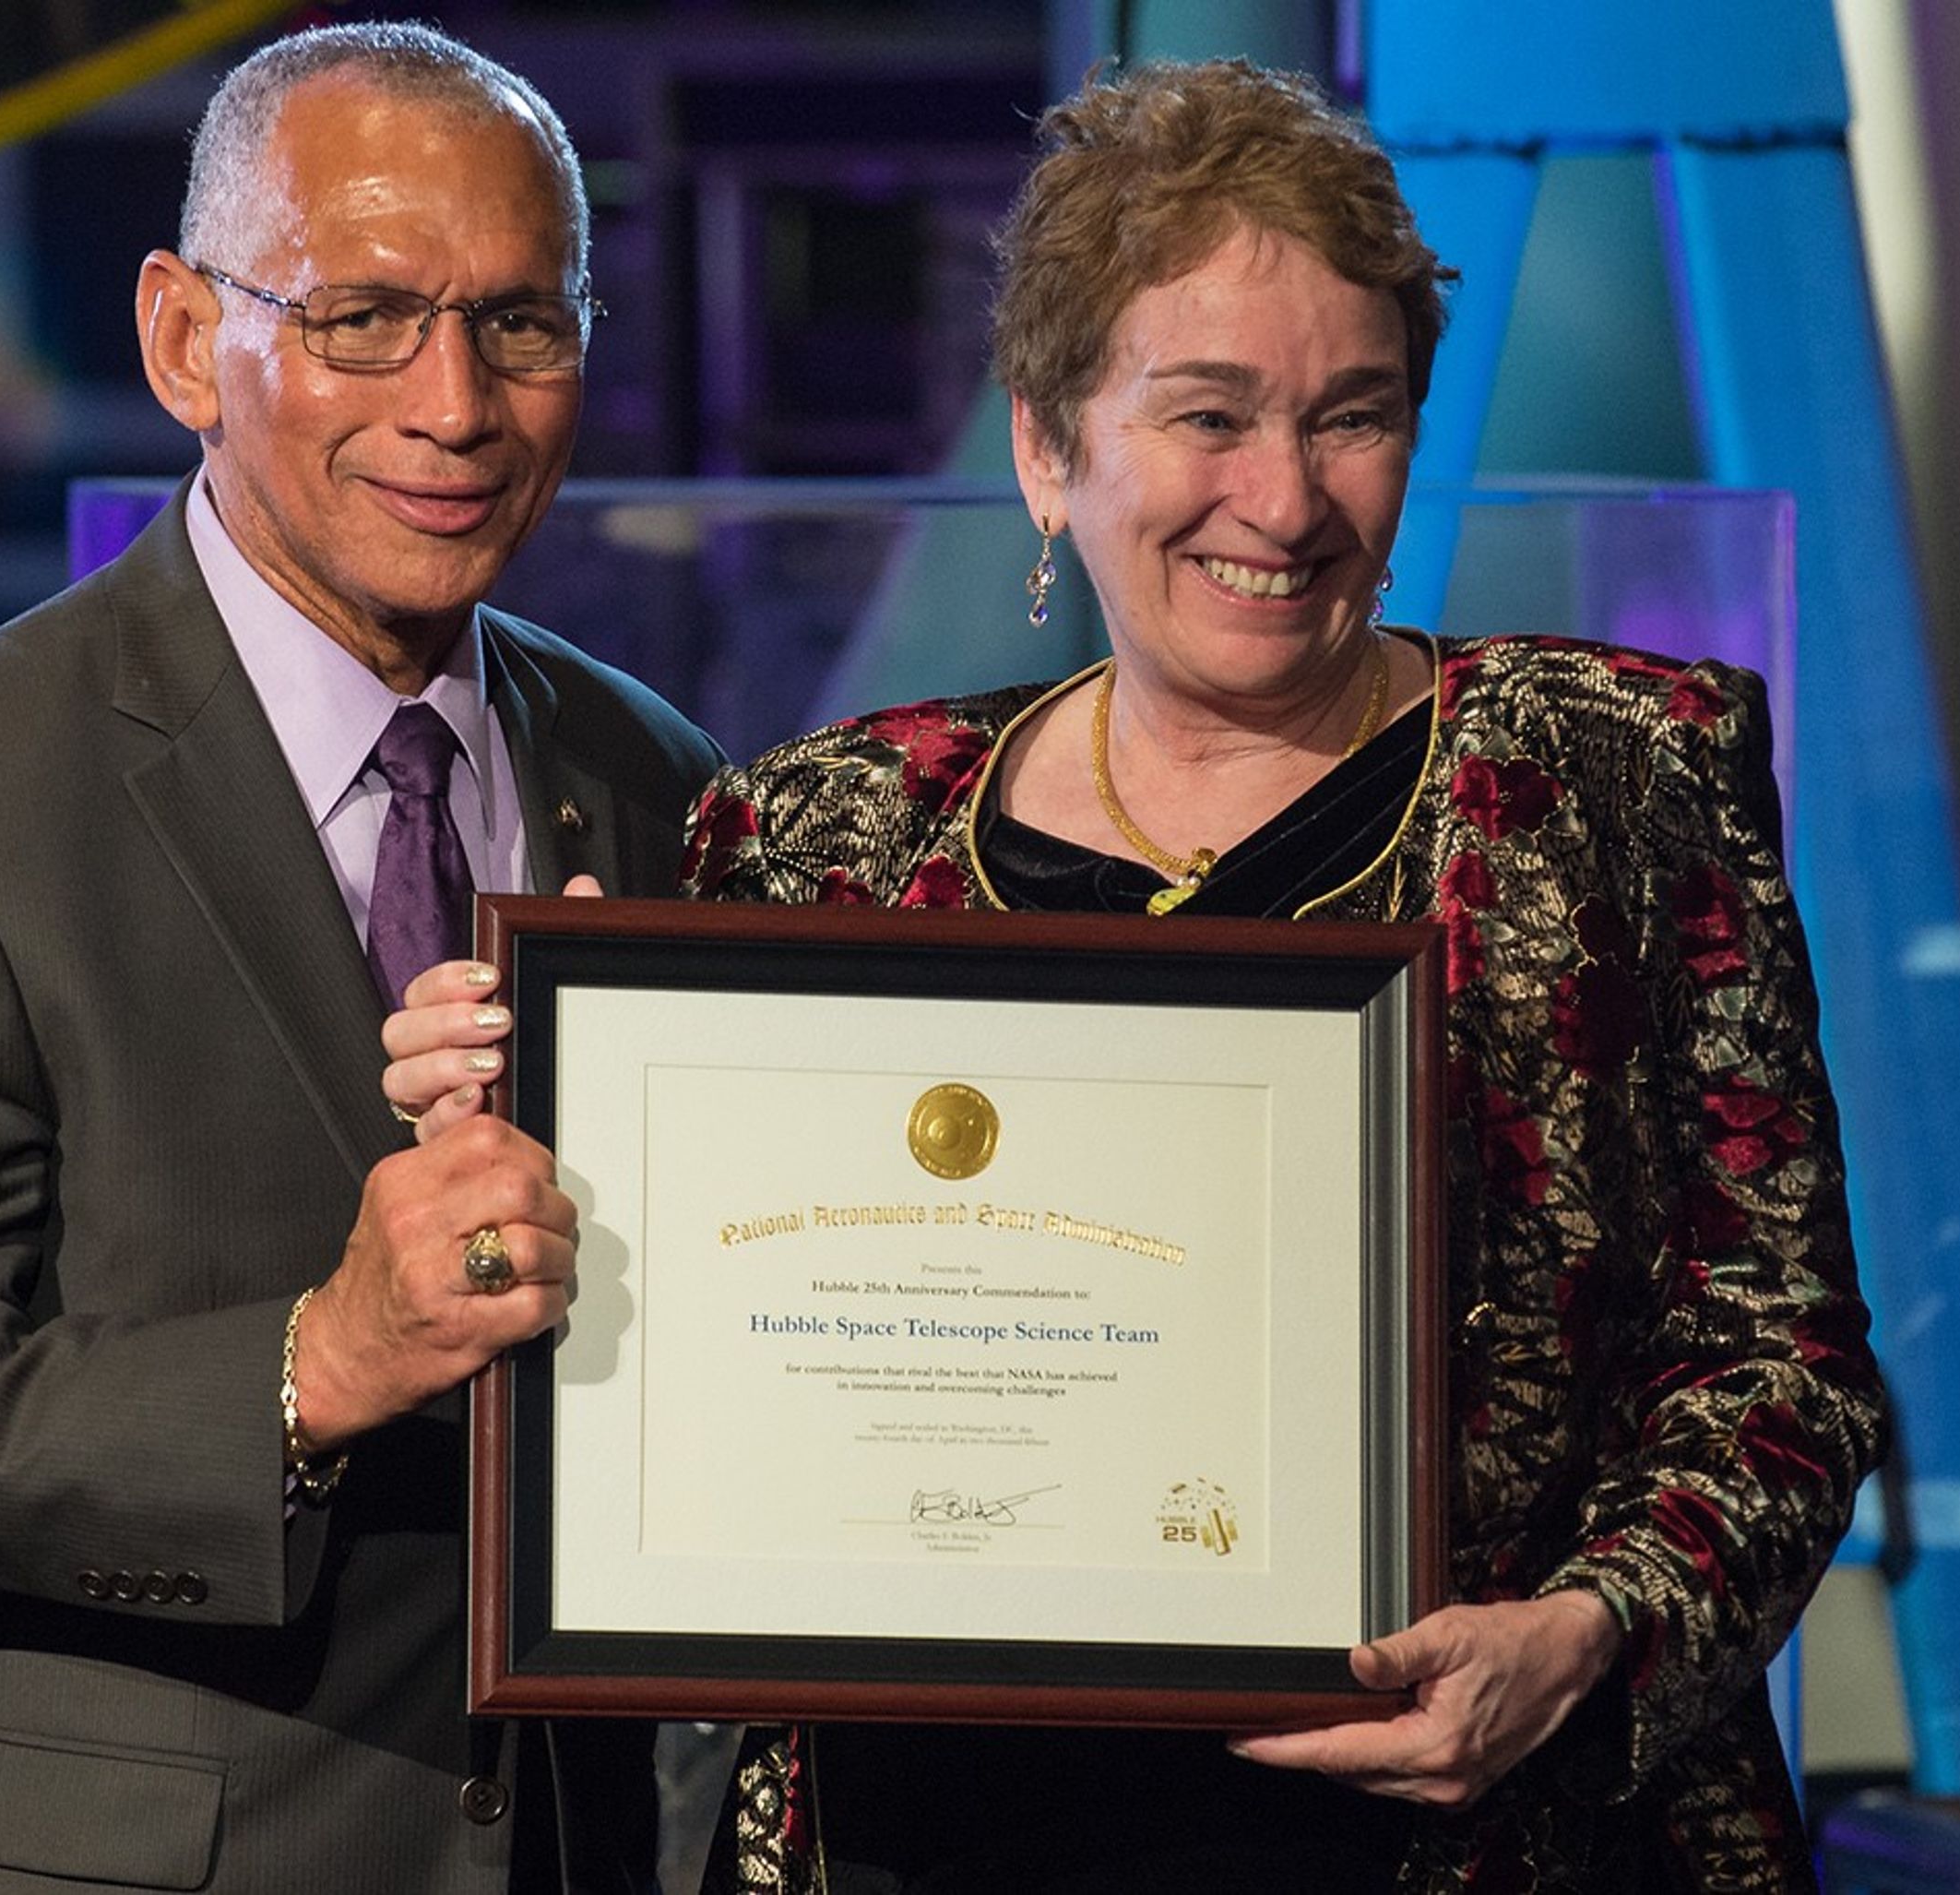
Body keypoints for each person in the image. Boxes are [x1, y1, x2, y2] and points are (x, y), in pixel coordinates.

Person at [669, 59, 1887, 1893]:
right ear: (1043, 444)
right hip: (936, 1842)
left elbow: (1780, 1358)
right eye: (1206, 415)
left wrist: (1581, 1633)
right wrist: (542, 1161)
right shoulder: (816, 831)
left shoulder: (1619, 772)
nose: (1285, 497)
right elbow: (708, 1366)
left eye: (1352, 415)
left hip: (1486, 1835)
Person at [0, 22, 719, 1892]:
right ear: (186, 340)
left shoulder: (655, 780)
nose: (456, 404)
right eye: (363, 319)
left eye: (522, 323)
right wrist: (316, 1361)